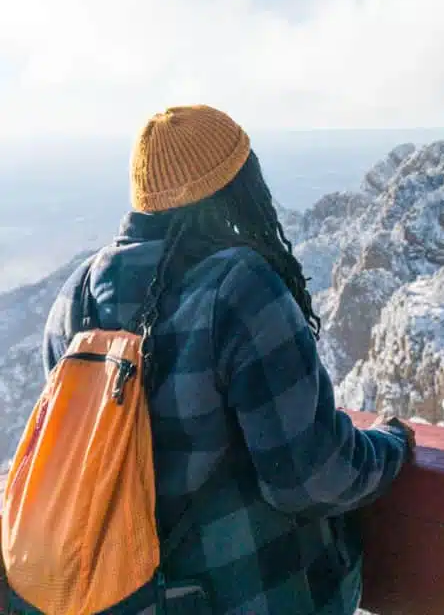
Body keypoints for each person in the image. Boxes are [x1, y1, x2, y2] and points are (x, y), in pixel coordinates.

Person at [42, 105, 414, 615]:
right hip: (249, 593)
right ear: (234, 186)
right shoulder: (238, 287)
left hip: (118, 598)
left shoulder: (76, 296)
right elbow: (308, 477)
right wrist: (392, 445)